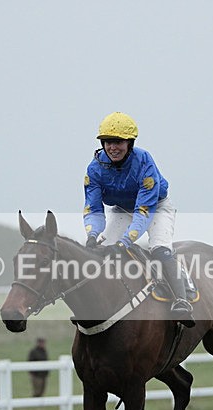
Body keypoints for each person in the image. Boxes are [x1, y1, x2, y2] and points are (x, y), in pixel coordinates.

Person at [82, 111, 195, 327]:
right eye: (108, 142)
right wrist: (92, 234)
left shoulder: (144, 161)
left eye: (118, 142)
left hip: (155, 207)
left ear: (130, 143)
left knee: (159, 250)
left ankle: (182, 299)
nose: (112, 147)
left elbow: (144, 211)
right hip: (123, 209)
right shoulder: (94, 169)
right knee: (100, 250)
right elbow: (93, 208)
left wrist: (125, 242)